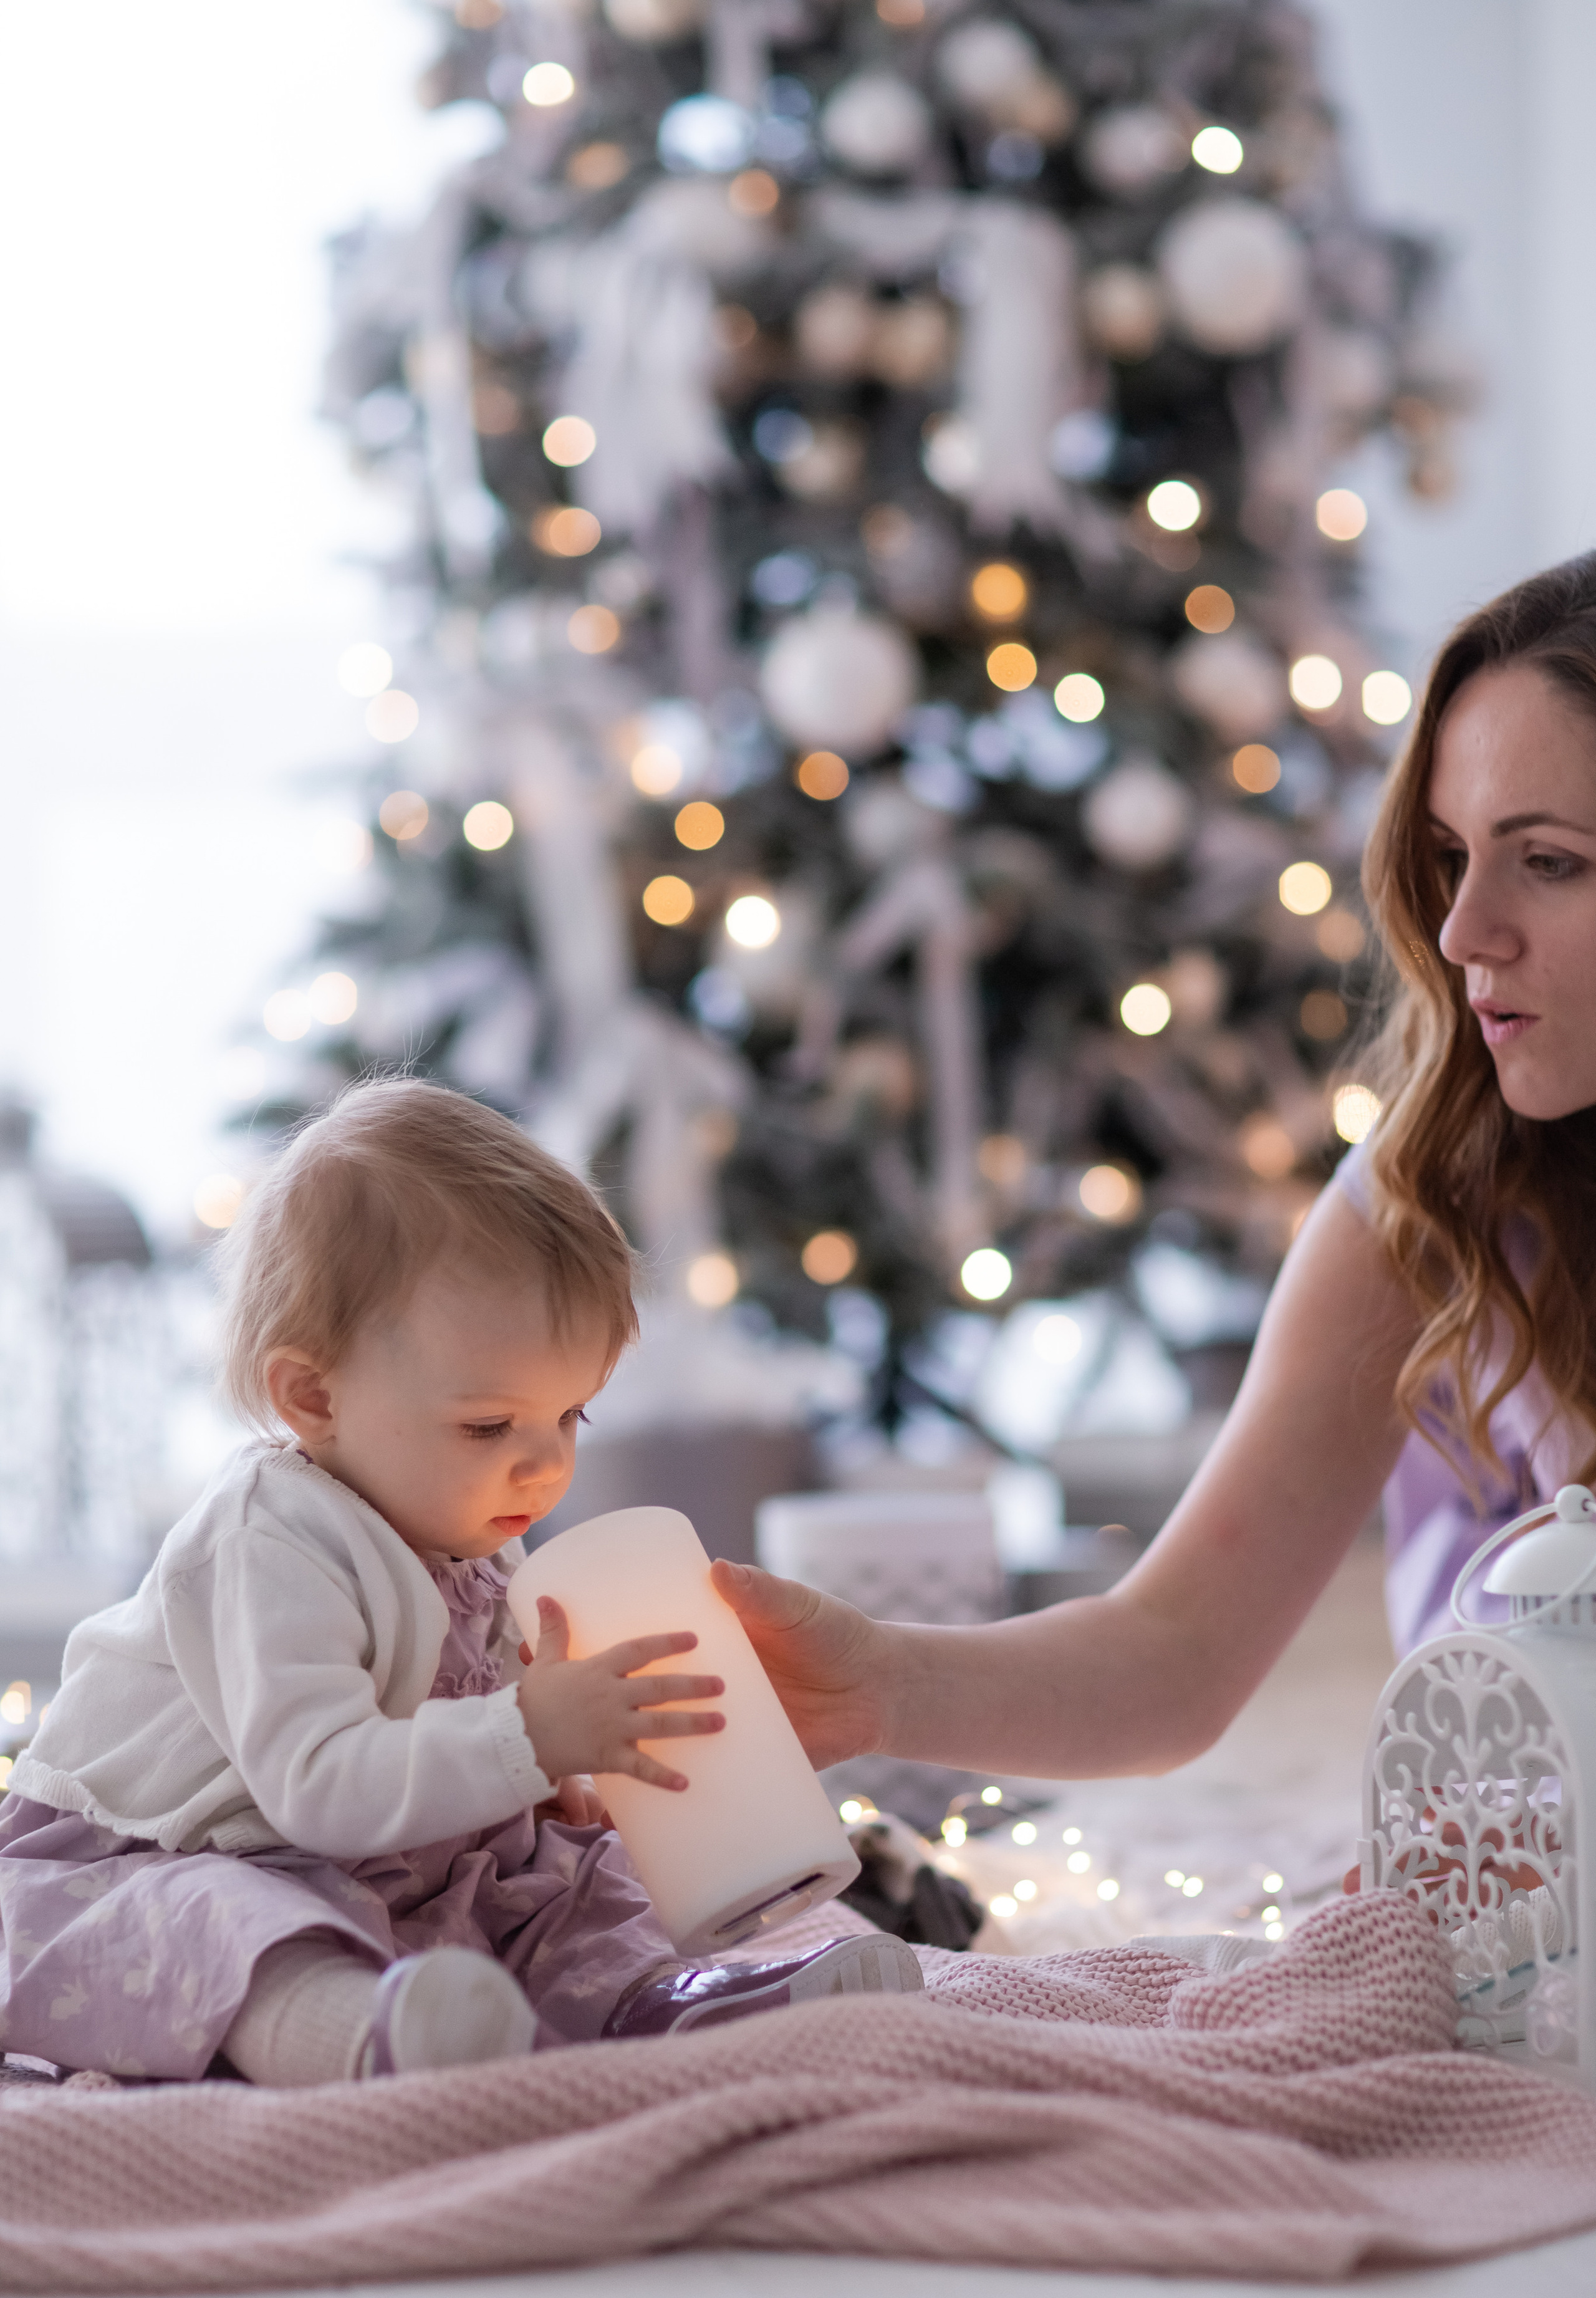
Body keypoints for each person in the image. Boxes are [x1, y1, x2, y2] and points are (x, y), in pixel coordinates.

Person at [712, 552, 1596, 1790]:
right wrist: (877, 1683)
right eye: (1449, 855)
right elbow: (1169, 1654)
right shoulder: (1424, 1201)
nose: (1460, 932)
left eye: (1547, 861)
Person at [0, 1082, 918, 2086]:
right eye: (490, 1426)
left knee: (574, 1882)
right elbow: (319, 1787)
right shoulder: (268, 1539)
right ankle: (358, 2036)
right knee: (221, 1930)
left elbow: (475, 1728)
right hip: (172, 1861)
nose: (545, 1467)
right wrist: (529, 1735)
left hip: (381, 1862)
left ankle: (677, 2006)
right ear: (313, 1397)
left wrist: (574, 1783)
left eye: (572, 1418)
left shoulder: (467, 1523)